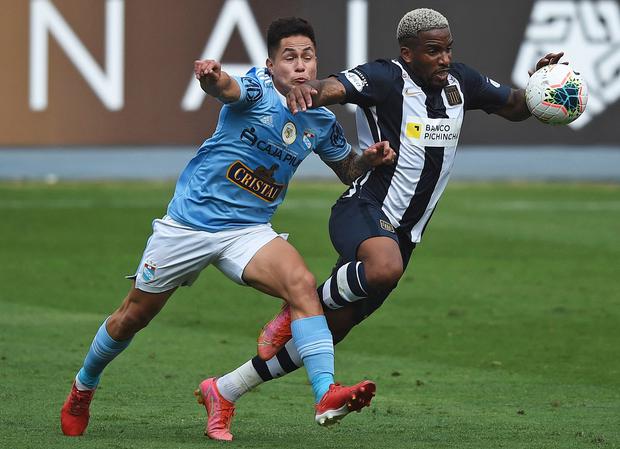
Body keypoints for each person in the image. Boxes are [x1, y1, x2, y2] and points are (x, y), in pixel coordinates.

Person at [200, 7, 567, 439]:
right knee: (380, 270)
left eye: (448, 49)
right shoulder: (384, 77)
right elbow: (332, 86)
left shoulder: (460, 82)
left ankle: (224, 389)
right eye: (434, 51)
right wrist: (309, 91)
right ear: (407, 53)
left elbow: (517, 107)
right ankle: (300, 305)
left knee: (327, 332)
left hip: (404, 237)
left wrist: (541, 85)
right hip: (364, 209)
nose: (445, 59)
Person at [60, 17, 396, 440]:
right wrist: (212, 78)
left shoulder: (320, 121)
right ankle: (83, 387)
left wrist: (370, 159)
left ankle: (325, 392)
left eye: (307, 58)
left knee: (302, 285)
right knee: (132, 317)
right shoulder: (256, 89)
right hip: (189, 226)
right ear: (270, 64)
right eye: (289, 57)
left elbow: (347, 169)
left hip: (248, 230)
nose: (300, 67)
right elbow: (226, 89)